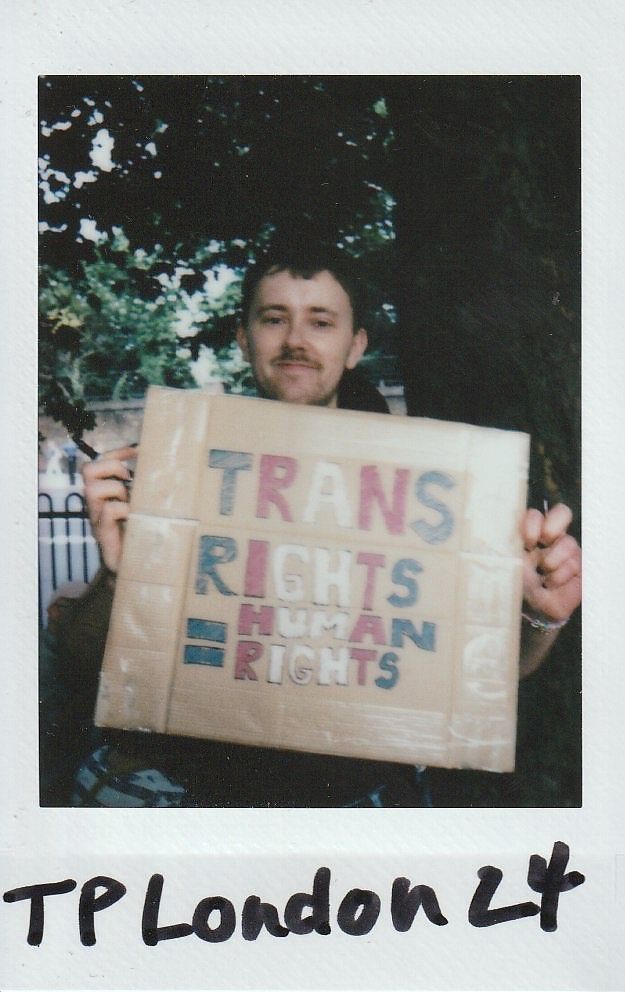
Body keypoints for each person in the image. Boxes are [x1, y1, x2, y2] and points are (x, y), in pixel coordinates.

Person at [55, 249, 582, 807]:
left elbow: (476, 675)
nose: (295, 341)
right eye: (274, 318)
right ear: (243, 338)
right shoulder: (196, 469)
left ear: (356, 345)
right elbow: (85, 663)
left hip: (353, 806)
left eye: (321, 322)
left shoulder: (431, 489)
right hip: (196, 798)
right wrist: (121, 577)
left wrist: (540, 617)